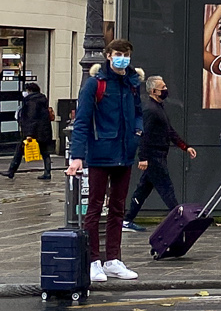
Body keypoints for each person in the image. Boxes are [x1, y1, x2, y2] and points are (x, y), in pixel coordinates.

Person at [67, 39, 144, 284]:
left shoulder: (132, 83)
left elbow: (138, 112)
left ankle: (113, 260)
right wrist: (77, 156)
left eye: (126, 54)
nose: (123, 58)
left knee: (118, 209)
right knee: (94, 208)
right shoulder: (95, 84)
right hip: (101, 152)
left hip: (124, 153)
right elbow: (82, 121)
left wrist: (137, 131)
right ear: (108, 56)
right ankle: (93, 261)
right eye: (118, 54)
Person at [124, 75, 196, 231]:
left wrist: (185, 147)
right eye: (162, 88)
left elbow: (169, 131)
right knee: (166, 188)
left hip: (158, 154)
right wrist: (143, 158)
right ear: (152, 91)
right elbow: (144, 134)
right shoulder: (150, 109)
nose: (165, 90)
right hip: (153, 156)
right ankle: (180, 218)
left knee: (143, 189)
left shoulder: (158, 108)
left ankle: (127, 219)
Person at [5, 78, 54, 181]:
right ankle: (47, 172)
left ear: (30, 91)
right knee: (45, 152)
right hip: (43, 131)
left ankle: (11, 171)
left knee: (19, 151)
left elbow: (31, 118)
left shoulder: (32, 102)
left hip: (33, 131)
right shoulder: (42, 99)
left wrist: (29, 134)